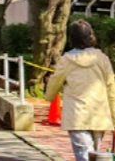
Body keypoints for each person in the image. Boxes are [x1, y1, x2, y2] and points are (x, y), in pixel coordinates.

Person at [45, 19, 115, 161]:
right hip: (99, 113)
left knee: (83, 153)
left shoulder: (67, 59)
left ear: (71, 38)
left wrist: (49, 96)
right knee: (96, 154)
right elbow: (111, 87)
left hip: (76, 114)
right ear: (91, 36)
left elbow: (55, 81)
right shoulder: (102, 58)